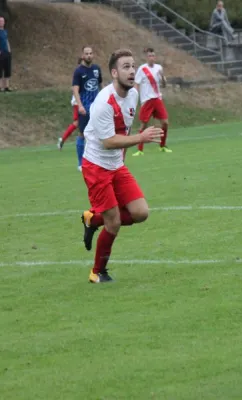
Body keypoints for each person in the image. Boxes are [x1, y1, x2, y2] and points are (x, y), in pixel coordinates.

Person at [80, 49, 163, 283]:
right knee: (114, 222)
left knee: (141, 213)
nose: (132, 70)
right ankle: (97, 272)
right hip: (96, 166)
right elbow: (108, 142)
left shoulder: (134, 94)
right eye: (126, 66)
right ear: (114, 73)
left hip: (116, 165)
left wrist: (122, 160)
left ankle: (92, 219)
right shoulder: (104, 102)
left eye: (133, 65)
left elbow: (123, 131)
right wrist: (141, 138)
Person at [133, 47, 171, 156]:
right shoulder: (142, 69)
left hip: (157, 99)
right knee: (143, 125)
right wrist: (135, 96)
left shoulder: (159, 68)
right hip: (147, 100)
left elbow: (164, 85)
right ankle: (140, 150)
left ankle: (162, 146)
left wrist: (162, 76)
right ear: (146, 57)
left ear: (155, 57)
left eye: (153, 55)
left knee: (165, 123)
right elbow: (137, 83)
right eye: (149, 56)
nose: (151, 58)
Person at [72, 46, 103, 171]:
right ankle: (80, 163)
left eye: (91, 53)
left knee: (99, 133)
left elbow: (100, 85)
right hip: (85, 107)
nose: (89, 55)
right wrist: (80, 105)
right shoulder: (78, 71)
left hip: (97, 107)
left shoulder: (96, 69)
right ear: (82, 55)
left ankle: (99, 160)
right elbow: (75, 89)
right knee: (82, 134)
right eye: (86, 53)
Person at [58, 58, 82, 150]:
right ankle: (62, 140)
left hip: (83, 102)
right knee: (76, 123)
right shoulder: (79, 74)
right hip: (78, 102)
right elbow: (75, 88)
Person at [0, 16, 12, 92]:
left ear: (4, 23)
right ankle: (1, 87)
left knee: (7, 69)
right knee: (0, 69)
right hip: (1, 53)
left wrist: (9, 50)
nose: (2, 22)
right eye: (0, 21)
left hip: (6, 53)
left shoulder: (5, 31)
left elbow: (7, 40)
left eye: (3, 21)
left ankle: (7, 86)